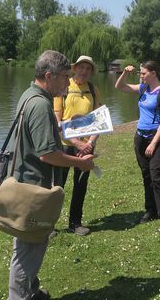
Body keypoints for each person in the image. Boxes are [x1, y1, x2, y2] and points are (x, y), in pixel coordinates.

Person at [7, 50, 95, 300]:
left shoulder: (28, 95)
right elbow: (47, 154)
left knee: (28, 245)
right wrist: (80, 163)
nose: (68, 82)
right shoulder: (41, 104)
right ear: (49, 75)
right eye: (64, 77)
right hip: (33, 189)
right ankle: (21, 297)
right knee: (28, 249)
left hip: (24, 181)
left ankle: (31, 291)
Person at [115, 61, 160, 232]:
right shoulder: (143, 89)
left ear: (153, 73)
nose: (140, 76)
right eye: (140, 73)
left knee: (156, 175)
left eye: (143, 73)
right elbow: (120, 87)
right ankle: (151, 210)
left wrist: (154, 143)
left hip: (156, 139)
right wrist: (125, 73)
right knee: (146, 175)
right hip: (140, 138)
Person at [53, 55, 101, 236]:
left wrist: (90, 143)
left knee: (80, 185)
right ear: (75, 69)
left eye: (88, 68)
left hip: (87, 146)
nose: (84, 71)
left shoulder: (93, 89)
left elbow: (99, 120)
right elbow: (57, 121)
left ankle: (75, 223)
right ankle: (48, 224)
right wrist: (76, 142)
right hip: (65, 145)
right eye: (81, 67)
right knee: (58, 186)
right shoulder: (63, 88)